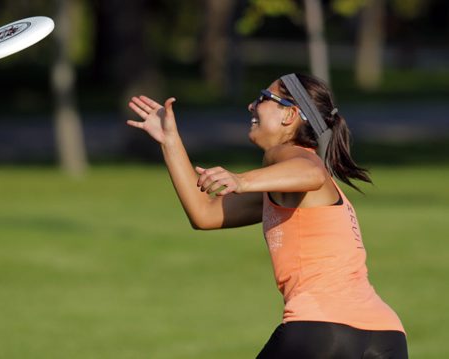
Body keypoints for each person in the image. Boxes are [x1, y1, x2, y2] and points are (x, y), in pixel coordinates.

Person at [127, 73, 408, 358]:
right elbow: (205, 214)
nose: (252, 105)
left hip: (322, 326)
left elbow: (311, 172)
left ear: (290, 115)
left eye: (263, 97)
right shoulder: (285, 190)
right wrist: (170, 140)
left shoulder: (288, 153)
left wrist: (241, 180)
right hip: (385, 336)